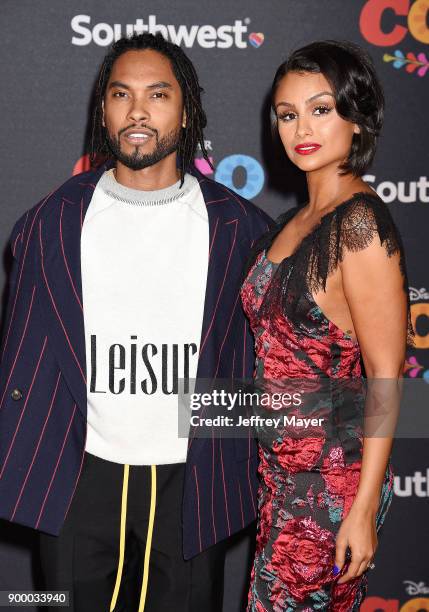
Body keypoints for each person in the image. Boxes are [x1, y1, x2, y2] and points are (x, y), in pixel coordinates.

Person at [0, 33, 273, 611]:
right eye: (121, 94)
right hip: (78, 480)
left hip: (193, 482)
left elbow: (262, 366)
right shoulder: (50, 224)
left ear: (187, 108)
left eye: (158, 94)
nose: (139, 111)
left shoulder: (242, 230)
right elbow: (19, 358)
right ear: (103, 109)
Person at [240, 40, 413, 610]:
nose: (300, 128)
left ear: (356, 119)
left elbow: (387, 374)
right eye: (288, 115)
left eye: (321, 108)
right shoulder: (292, 222)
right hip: (279, 480)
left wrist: (362, 510)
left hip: (328, 489)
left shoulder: (359, 222)